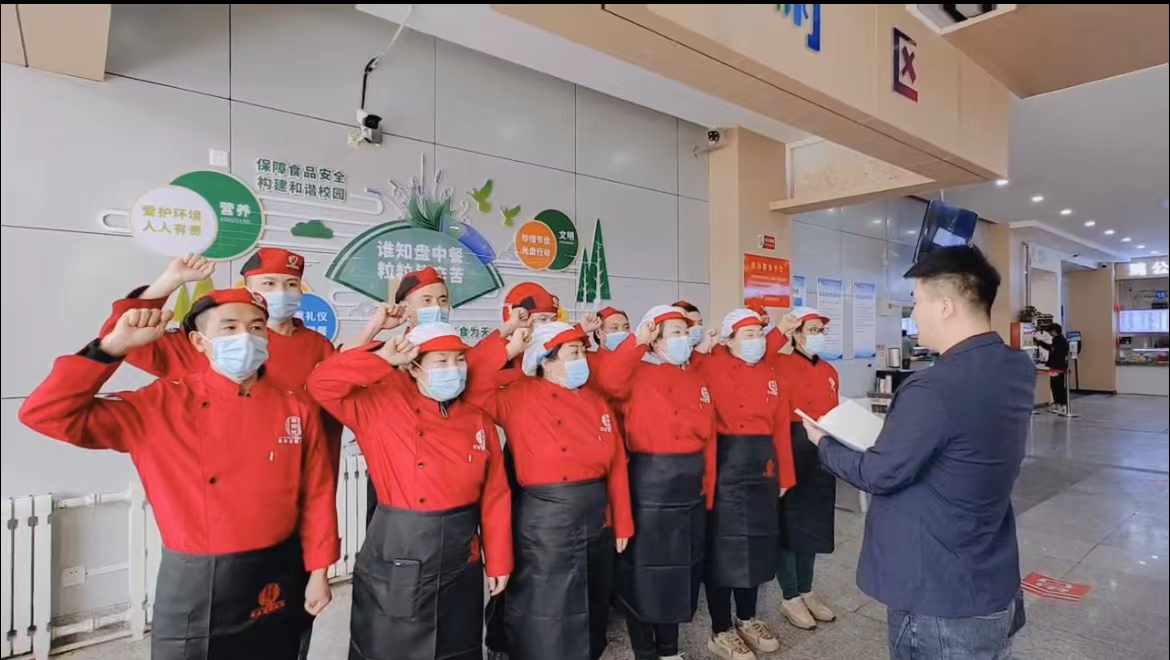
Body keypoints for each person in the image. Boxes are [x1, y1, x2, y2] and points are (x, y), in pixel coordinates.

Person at [20, 290, 338, 660]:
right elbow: (46, 413)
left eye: (255, 328)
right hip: (196, 580)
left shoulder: (296, 406)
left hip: (279, 571)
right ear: (200, 342)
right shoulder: (159, 404)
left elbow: (317, 492)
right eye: (229, 327)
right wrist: (112, 348)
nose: (245, 337)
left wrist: (319, 571)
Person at [805, 246, 1034, 660]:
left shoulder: (934, 386)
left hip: (938, 592)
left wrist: (823, 442)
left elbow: (880, 474)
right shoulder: (1015, 367)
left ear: (945, 306)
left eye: (917, 302)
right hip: (989, 572)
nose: (914, 314)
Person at [307, 323, 512, 660]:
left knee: (457, 644)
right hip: (398, 548)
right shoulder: (378, 405)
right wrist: (382, 360)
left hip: (462, 554)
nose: (454, 369)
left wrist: (500, 561)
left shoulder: (477, 420)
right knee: (388, 645)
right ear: (414, 367)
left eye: (459, 360)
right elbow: (321, 384)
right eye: (441, 361)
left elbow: (495, 495)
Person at [465, 322, 634, 660]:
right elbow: (472, 384)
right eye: (573, 353)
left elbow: (616, 463)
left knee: (591, 602)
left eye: (582, 351)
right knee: (544, 605)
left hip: (596, 518)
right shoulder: (517, 396)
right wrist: (512, 351)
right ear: (547, 360)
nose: (582, 359)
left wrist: (623, 522)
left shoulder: (596, 401)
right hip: (544, 521)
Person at [97, 250, 342, 469]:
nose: (280, 292)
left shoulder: (318, 346)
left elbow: (327, 422)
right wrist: (168, 282)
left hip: (290, 473)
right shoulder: (206, 340)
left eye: (291, 284)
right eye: (269, 283)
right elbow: (119, 334)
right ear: (247, 288)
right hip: (209, 472)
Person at [598, 305, 714, 660]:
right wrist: (637, 341)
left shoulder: (695, 376)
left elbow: (709, 437)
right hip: (650, 483)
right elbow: (607, 380)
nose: (684, 338)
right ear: (655, 339)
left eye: (685, 332)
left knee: (681, 569)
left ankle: (669, 648)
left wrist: (707, 488)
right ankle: (645, 650)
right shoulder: (635, 372)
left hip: (689, 484)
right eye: (675, 332)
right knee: (644, 571)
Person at [693, 309, 795, 660]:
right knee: (723, 550)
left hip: (763, 466)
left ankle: (748, 618)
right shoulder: (709, 365)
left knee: (758, 545)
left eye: (759, 334)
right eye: (747, 334)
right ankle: (720, 629)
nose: (756, 341)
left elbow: (781, 425)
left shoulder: (769, 372)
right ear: (729, 340)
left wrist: (785, 475)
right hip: (725, 464)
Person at [345, 266, 455, 527]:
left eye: (442, 300)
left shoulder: (459, 355)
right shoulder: (390, 353)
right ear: (406, 310)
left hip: (448, 474)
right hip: (394, 477)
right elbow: (336, 369)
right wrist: (375, 326)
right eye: (426, 301)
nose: (437, 307)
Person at [769, 307, 839, 630]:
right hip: (790, 445)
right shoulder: (779, 363)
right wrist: (780, 330)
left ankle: (807, 589)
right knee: (789, 524)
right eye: (811, 330)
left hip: (821, 450)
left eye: (820, 330)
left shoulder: (829, 370)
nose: (817, 336)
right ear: (796, 335)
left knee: (813, 522)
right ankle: (790, 596)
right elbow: (762, 355)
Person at [1035, 323, 1070, 414]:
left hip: (1056, 366)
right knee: (1058, 386)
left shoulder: (1057, 340)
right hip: (1060, 365)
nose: (1049, 334)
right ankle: (1060, 405)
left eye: (1050, 332)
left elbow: (1051, 349)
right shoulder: (1062, 340)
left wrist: (1040, 342)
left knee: (1056, 386)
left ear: (1054, 331)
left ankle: (1060, 405)